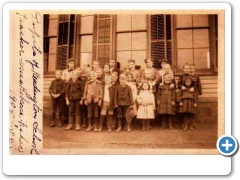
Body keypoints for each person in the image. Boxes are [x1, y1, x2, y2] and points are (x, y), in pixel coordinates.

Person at [61, 58, 77, 124]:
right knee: (65, 104)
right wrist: (66, 81)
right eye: (70, 63)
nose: (71, 64)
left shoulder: (76, 71)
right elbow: (62, 80)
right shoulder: (64, 71)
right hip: (66, 88)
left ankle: (73, 120)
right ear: (68, 64)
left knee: (72, 105)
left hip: (73, 88)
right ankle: (65, 119)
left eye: (72, 63)